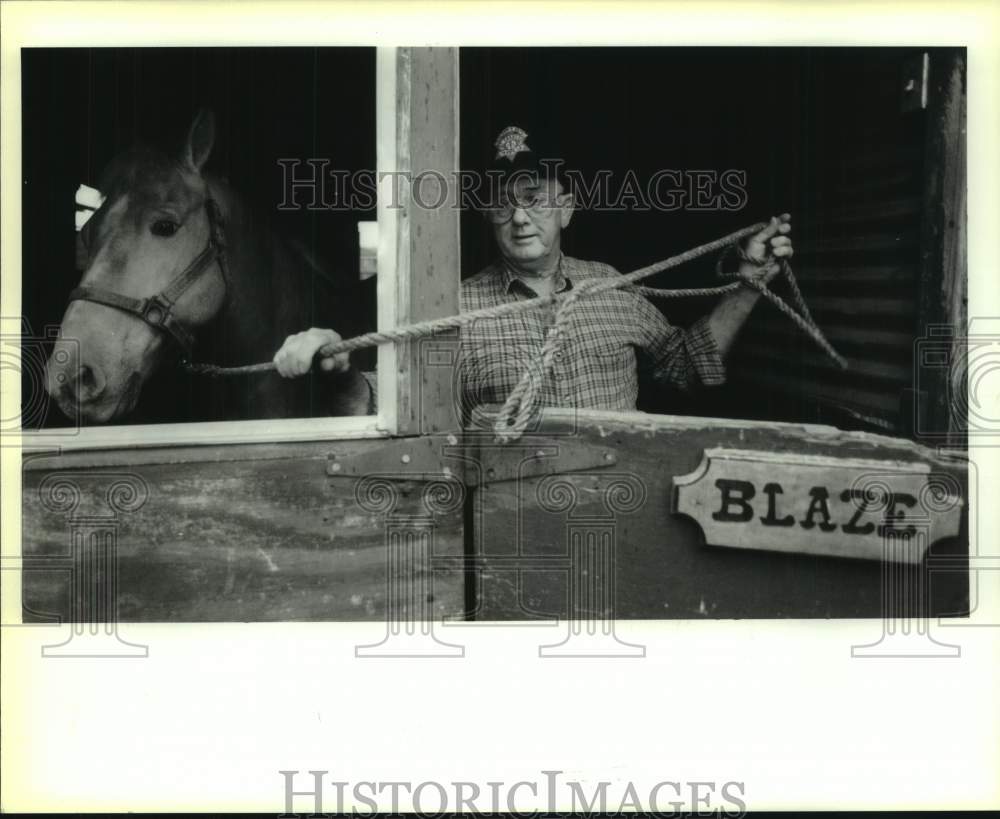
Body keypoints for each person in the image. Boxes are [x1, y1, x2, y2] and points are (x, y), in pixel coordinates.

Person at [273, 125, 793, 421]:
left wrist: (750, 281)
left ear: (566, 208)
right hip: (512, 525)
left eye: (534, 199)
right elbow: (385, 406)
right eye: (503, 204)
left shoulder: (610, 287)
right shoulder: (454, 306)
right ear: (487, 218)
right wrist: (332, 360)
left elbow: (690, 367)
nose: (519, 216)